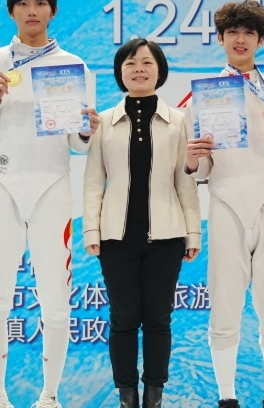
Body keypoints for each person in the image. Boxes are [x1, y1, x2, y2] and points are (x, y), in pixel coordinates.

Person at [0, 0, 100, 408]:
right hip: (3, 185)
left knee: (56, 296)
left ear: (52, 11)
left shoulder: (73, 66)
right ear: (11, 11)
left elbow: (78, 144)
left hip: (52, 186)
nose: (32, 11)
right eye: (23, 4)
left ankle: (49, 395)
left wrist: (86, 128)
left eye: (40, 4)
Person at [185, 0, 264, 408]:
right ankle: (227, 397)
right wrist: (193, 158)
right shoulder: (202, 97)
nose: (240, 39)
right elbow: (199, 169)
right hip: (225, 205)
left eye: (248, 32)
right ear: (220, 38)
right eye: (232, 32)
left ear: (260, 40)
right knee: (224, 305)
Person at [83, 39, 202, 408]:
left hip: (166, 235)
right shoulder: (103, 122)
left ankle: (154, 396)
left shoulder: (178, 122)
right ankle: (127, 396)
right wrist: (92, 230)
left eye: (147, 63)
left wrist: (193, 232)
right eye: (131, 63)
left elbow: (185, 180)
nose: (139, 69)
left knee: (158, 319)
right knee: (122, 318)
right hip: (116, 237)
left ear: (160, 71)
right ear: (120, 72)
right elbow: (93, 180)